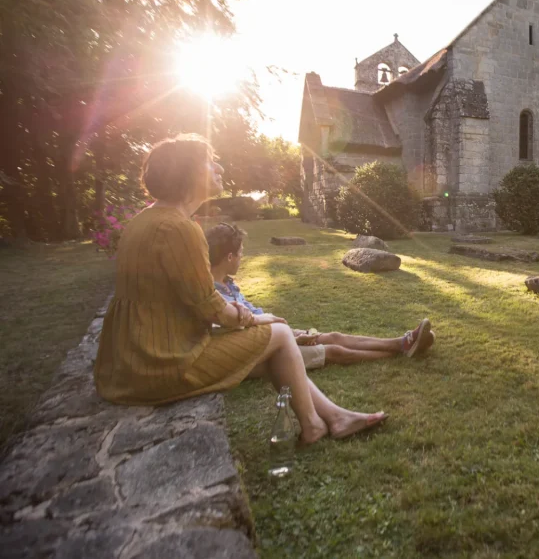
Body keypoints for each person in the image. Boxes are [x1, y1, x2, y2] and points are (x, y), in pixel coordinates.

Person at [93, 133, 384, 444]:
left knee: (273, 341)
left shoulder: (143, 221)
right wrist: (257, 318)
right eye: (209, 161)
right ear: (187, 173)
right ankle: (314, 424)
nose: (218, 167)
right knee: (281, 333)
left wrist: (249, 319)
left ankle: (331, 417)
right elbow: (212, 308)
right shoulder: (179, 228)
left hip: (130, 364)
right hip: (162, 365)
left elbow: (188, 298)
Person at [204, 222, 434, 369]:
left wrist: (288, 333)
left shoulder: (228, 284)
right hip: (259, 349)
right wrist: (291, 338)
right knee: (334, 351)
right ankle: (399, 349)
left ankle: (401, 343)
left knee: (333, 335)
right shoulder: (213, 295)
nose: (243, 258)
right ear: (229, 257)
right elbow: (240, 335)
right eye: (241, 253)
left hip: (273, 333)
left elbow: (254, 318)